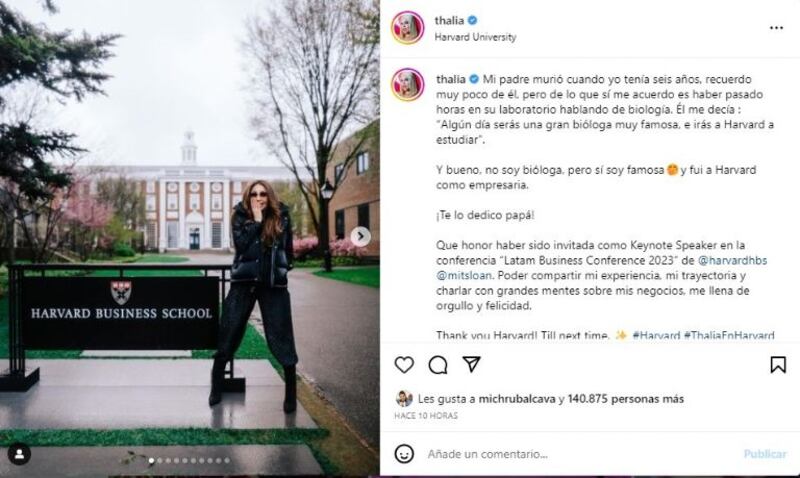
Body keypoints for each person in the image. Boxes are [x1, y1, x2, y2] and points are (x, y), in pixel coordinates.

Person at [209, 180, 299, 413]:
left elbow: (288, 249)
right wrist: (257, 222)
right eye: (254, 194)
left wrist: (282, 269)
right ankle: (216, 384)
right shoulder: (240, 216)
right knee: (229, 330)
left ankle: (291, 393)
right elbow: (240, 245)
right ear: (248, 197)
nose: (259, 198)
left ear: (269, 196)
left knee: (282, 335)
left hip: (273, 285)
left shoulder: (282, 216)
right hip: (244, 283)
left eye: (263, 194)